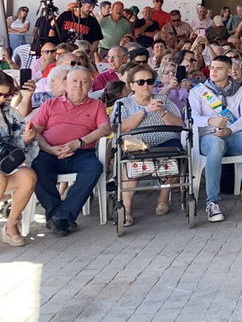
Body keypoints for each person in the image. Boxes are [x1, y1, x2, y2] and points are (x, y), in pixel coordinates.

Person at [190, 55, 242, 221]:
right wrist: (209, 120)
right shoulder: (198, 91)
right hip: (209, 136)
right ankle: (212, 203)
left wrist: (230, 129)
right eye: (212, 68)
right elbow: (191, 118)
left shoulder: (241, 89)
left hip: (233, 135)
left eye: (219, 68)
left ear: (229, 71)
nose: (213, 71)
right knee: (216, 144)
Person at [31, 67, 111, 236]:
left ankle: (61, 216)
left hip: (81, 153)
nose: (79, 85)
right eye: (74, 81)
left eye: (84, 82)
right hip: (50, 153)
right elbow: (35, 131)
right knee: (36, 168)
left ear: (90, 85)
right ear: (66, 84)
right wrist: (49, 149)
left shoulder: (97, 105)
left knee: (94, 168)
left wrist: (79, 142)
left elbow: (105, 128)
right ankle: (59, 216)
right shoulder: (50, 104)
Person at [112, 65, 184, 227]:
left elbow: (180, 124)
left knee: (176, 151)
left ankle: (163, 198)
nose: (146, 85)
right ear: (131, 85)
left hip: (165, 141)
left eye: (149, 81)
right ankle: (127, 209)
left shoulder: (163, 100)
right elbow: (118, 128)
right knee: (131, 161)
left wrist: (161, 112)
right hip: (136, 142)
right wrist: (144, 111)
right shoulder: (123, 104)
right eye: (141, 82)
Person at [0, 71, 38, 246]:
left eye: (6, 95)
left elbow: (18, 141)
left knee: (28, 176)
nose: (2, 99)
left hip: (6, 165)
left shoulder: (9, 112)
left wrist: (28, 137)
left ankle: (11, 225)